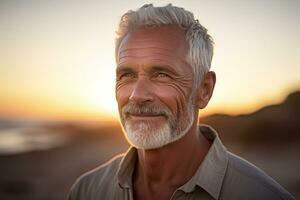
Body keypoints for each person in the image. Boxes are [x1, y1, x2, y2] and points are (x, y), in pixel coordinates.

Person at [68, 4, 294, 200]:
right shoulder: (87, 190)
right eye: (126, 75)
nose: (137, 95)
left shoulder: (262, 195)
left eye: (162, 75)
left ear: (204, 90)